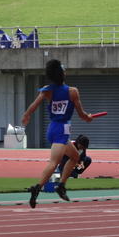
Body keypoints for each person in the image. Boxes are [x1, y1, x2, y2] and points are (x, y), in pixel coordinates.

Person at [21, 59, 92, 208]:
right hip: (62, 130)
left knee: (75, 157)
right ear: (62, 74)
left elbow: (34, 105)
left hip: (53, 128)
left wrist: (27, 115)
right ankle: (37, 187)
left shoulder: (47, 90)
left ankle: (61, 185)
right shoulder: (72, 91)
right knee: (54, 162)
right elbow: (82, 115)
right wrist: (88, 118)